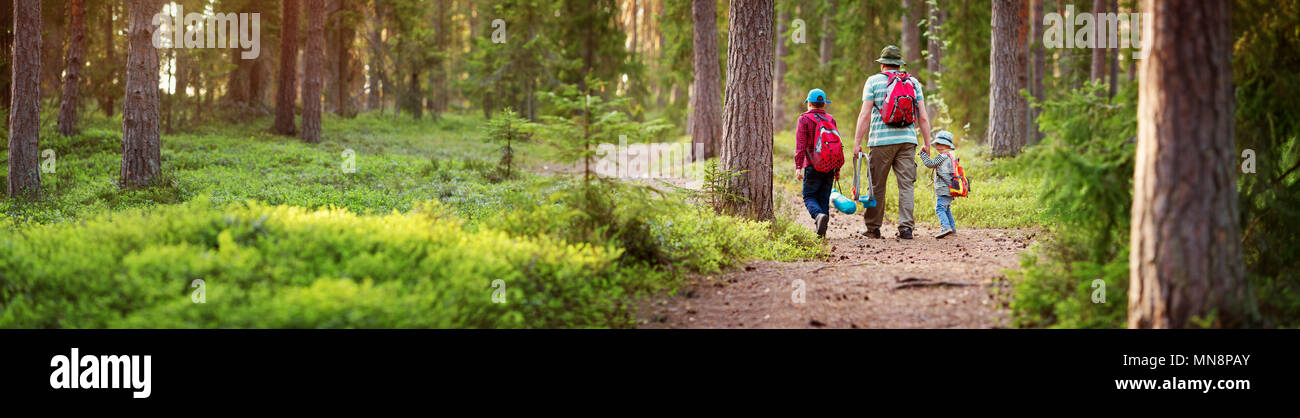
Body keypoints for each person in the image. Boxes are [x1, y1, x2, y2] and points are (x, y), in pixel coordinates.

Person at [852, 45, 935, 240]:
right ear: (899, 65)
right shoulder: (913, 83)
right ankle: (906, 228)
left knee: (877, 186)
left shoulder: (872, 82)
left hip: (880, 141)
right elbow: (922, 117)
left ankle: (873, 229)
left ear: (882, 65)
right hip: (907, 141)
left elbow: (865, 115)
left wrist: (857, 142)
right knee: (906, 185)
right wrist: (927, 142)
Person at [794, 88, 841, 237]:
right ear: (824, 104)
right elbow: (836, 146)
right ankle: (822, 233)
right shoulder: (830, 119)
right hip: (829, 165)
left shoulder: (804, 119)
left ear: (809, 103)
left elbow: (801, 145)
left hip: (812, 164)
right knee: (823, 197)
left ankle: (818, 216)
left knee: (808, 196)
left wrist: (798, 167)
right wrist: (837, 168)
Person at [919, 131, 958, 238]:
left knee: (939, 208)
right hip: (950, 188)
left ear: (948, 146)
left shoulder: (943, 156)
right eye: (938, 144)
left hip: (944, 188)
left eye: (943, 144)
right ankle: (952, 229)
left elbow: (930, 164)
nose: (939, 147)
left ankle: (946, 228)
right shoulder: (950, 156)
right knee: (946, 208)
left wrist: (922, 154)